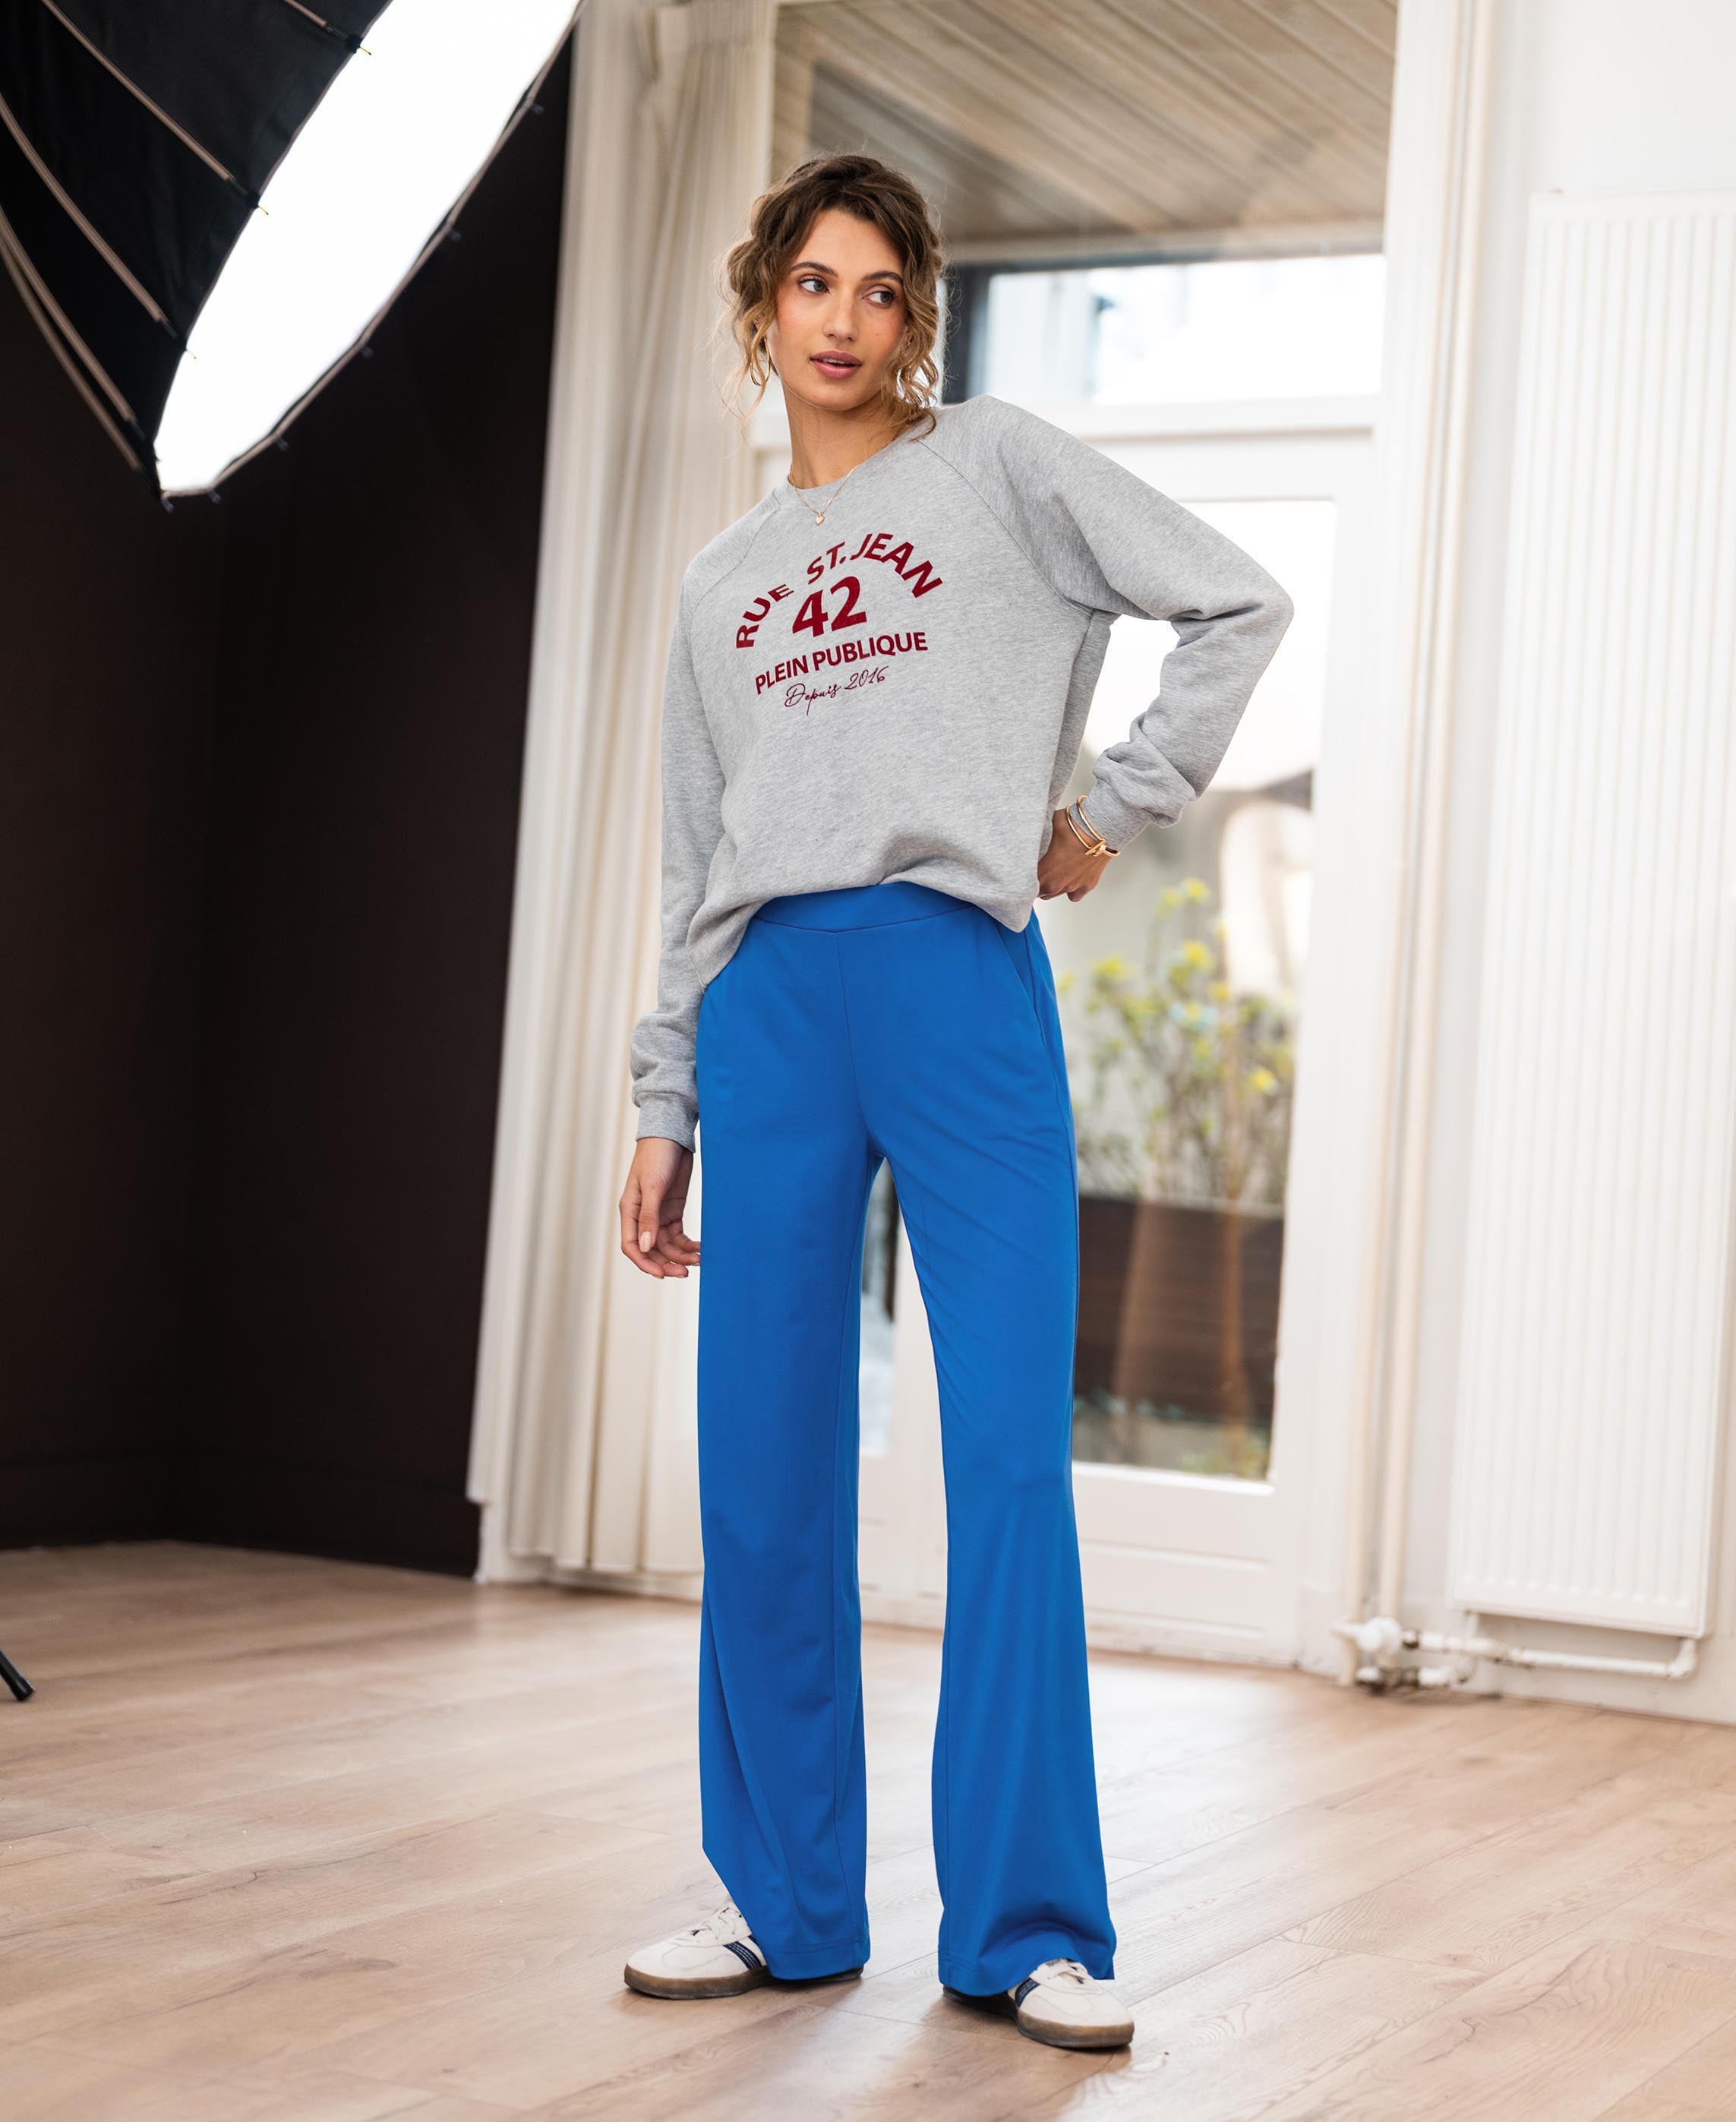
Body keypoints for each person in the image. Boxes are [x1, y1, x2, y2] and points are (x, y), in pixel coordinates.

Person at [616, 153, 1293, 2054]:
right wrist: (662, 1091)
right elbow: (692, 860)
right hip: (765, 1003)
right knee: (759, 1466)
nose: (842, 319)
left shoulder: (997, 467)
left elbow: (1237, 600)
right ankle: (784, 1901)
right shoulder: (716, 584)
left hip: (954, 971)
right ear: (763, 306)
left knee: (1001, 1454)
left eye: (880, 289)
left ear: (918, 317)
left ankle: (1025, 1926)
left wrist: (1116, 805)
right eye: (811, 283)